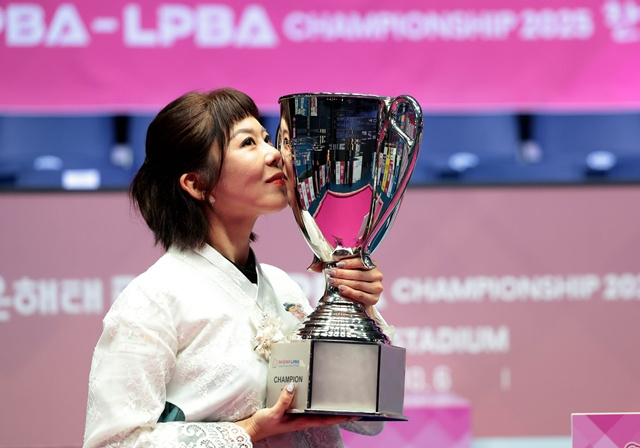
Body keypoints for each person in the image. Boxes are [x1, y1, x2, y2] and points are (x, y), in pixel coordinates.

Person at [83, 88, 394, 447]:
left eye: (267, 138)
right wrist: (249, 430)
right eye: (248, 143)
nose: (275, 154)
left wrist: (359, 308)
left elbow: (364, 418)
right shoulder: (153, 299)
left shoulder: (282, 287)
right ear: (198, 183)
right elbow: (113, 442)